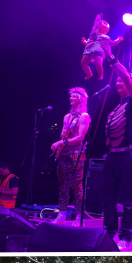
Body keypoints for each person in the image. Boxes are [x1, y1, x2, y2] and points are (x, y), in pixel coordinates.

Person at [99, 41, 132, 247]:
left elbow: (126, 76)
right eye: (116, 82)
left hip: (129, 155)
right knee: (107, 196)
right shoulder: (118, 106)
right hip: (113, 155)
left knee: (127, 198)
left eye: (123, 81)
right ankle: (109, 232)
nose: (119, 83)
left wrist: (110, 57)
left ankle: (126, 236)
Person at [50, 88, 91, 223]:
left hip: (76, 155)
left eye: (74, 96)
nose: (71, 98)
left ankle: (79, 218)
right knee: (63, 186)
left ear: (81, 98)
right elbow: (64, 134)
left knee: (77, 187)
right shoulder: (66, 117)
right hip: (63, 154)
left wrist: (61, 142)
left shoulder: (84, 116)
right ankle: (61, 215)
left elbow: (80, 138)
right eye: (71, 96)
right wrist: (59, 144)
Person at [79, 14, 124, 80]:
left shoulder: (105, 37)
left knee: (98, 64)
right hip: (88, 50)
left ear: (105, 30)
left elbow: (112, 43)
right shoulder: (92, 36)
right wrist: (84, 41)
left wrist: (118, 39)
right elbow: (88, 43)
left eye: (102, 27)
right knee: (83, 63)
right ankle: (89, 73)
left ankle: (101, 75)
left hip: (98, 51)